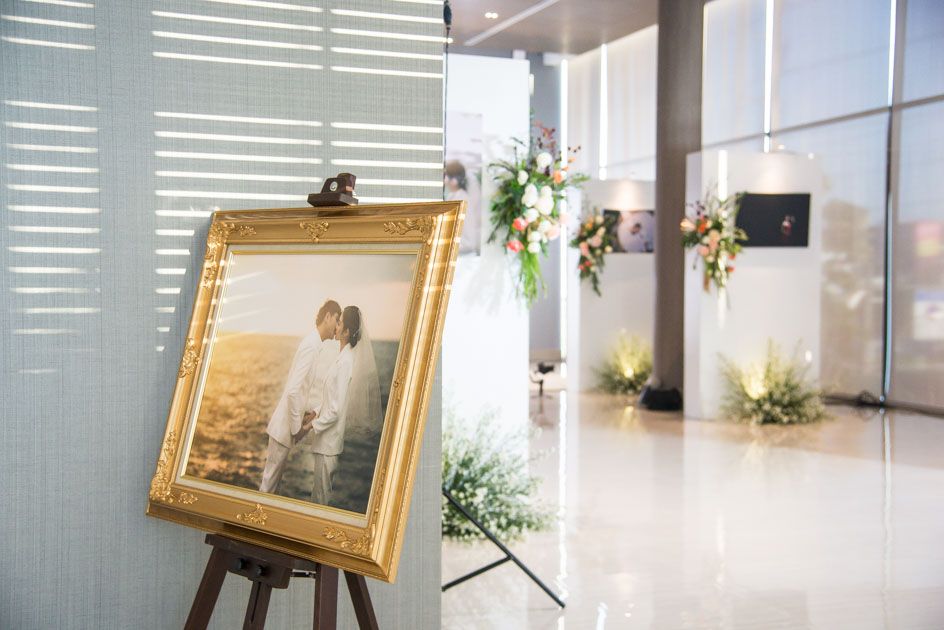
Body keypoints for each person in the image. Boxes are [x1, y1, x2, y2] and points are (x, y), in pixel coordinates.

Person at [297, 305, 381, 506]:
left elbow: (335, 410)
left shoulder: (345, 363)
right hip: (325, 443)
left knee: (320, 500)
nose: (336, 325)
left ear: (346, 332)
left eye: (340, 323)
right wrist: (314, 411)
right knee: (317, 497)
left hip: (329, 445)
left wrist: (309, 427)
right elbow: (331, 399)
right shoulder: (342, 358)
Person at [258, 300, 341, 494]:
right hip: (283, 428)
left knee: (272, 488)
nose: (337, 327)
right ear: (327, 316)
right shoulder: (311, 346)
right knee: (268, 488)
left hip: (283, 427)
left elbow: (297, 390)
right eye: (337, 320)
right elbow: (293, 391)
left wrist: (305, 412)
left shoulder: (313, 343)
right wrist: (297, 429)